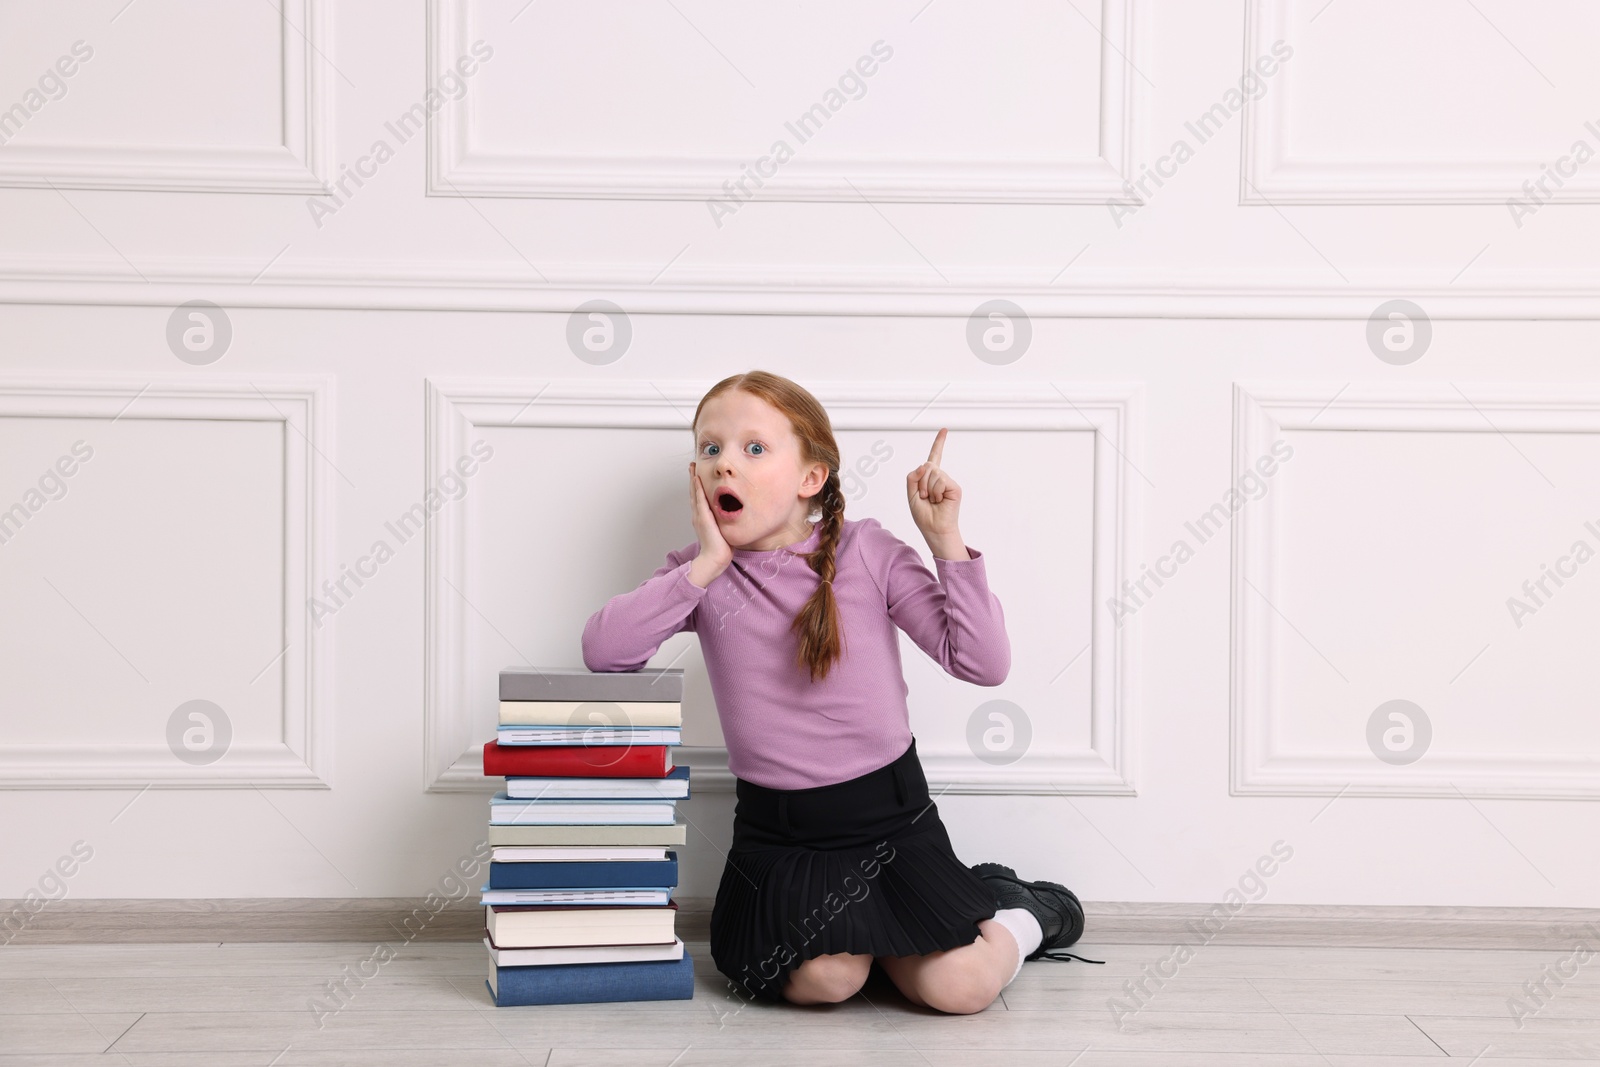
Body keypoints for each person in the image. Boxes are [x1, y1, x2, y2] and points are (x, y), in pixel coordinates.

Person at [581, 370, 1091, 1014]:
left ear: (811, 478)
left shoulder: (868, 550)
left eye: (753, 448)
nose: (723, 465)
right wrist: (704, 566)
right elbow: (604, 652)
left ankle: (1024, 911)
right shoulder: (697, 571)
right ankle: (880, 945)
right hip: (780, 842)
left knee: (957, 990)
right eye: (709, 450)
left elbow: (982, 664)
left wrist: (945, 543)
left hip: (892, 827)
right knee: (828, 981)